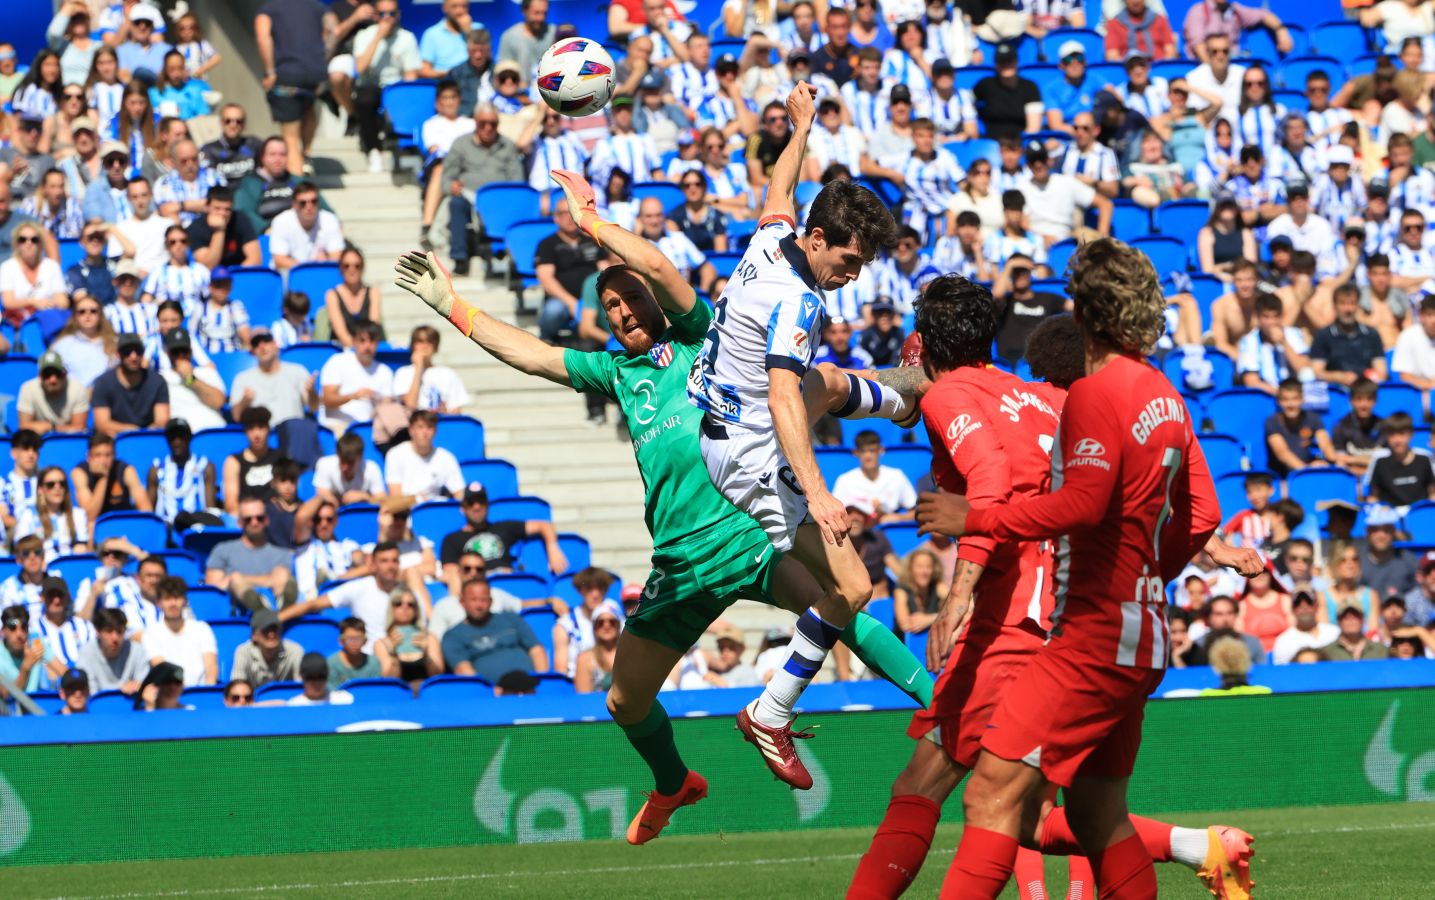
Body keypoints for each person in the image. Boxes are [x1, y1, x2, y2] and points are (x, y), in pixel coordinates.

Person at [396, 131, 932, 841]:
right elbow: (528, 353)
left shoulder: (702, 336)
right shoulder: (616, 373)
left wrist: (598, 222)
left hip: (745, 532)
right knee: (624, 700)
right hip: (678, 563)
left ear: (652, 301)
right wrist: (453, 306)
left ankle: (938, 698)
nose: (619, 311)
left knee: (841, 600)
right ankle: (675, 783)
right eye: (608, 305)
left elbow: (676, 264)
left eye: (627, 298)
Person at [919, 239, 1247, 899]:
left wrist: (974, 519)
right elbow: (1198, 514)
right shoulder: (1164, 395)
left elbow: (1083, 503)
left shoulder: (1096, 394)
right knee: (1098, 815)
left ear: (1085, 312)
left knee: (990, 795)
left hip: (1095, 631)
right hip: (1144, 626)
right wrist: (1146, 580)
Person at [278, 542, 416, 650]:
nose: (390, 566)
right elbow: (313, 604)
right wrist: (276, 619)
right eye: (384, 561)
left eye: (395, 561)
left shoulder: (407, 594)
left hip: (402, 655)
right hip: (367, 658)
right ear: (373, 564)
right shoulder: (360, 587)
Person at [443, 104, 524, 276]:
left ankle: (512, 256)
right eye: (483, 123)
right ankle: (460, 258)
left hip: (501, 200)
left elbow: (518, 180)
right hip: (470, 197)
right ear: (475, 122)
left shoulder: (507, 146)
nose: (488, 128)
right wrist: (451, 186)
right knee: (456, 204)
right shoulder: (461, 144)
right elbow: (446, 178)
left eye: (493, 124)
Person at [254, 0, 328, 177]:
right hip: (312, 76)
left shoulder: (269, 9)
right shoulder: (316, 6)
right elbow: (333, 30)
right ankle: (307, 155)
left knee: (291, 139)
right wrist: (321, 62)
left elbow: (263, 36)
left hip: (285, 76)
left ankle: (298, 182)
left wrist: (270, 71)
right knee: (309, 109)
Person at [436, 482, 564, 576]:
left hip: (508, 585)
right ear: (463, 508)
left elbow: (544, 525)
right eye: (471, 503)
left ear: (487, 505)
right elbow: (450, 573)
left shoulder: (504, 528)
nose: (477, 507)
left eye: (481, 502)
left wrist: (552, 547)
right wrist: (490, 573)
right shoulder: (452, 539)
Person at [440, 576, 548, 681]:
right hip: (491, 696)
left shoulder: (511, 619)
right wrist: (490, 692)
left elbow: (536, 650)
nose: (479, 605)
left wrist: (541, 681)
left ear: (491, 601)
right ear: (462, 602)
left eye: (484, 600)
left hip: (531, 687)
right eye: (474, 600)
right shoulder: (452, 636)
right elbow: (464, 670)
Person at [205, 496, 298, 612]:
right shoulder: (222, 550)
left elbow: (282, 581)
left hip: (275, 616)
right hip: (234, 614)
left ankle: (266, 612)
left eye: (259, 518)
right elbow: (212, 590)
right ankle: (262, 609)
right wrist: (269, 580)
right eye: (248, 519)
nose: (254, 523)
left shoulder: (282, 554)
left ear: (267, 520)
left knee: (282, 573)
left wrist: (236, 580)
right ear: (239, 522)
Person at [534, 202, 603, 344]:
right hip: (561, 301)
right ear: (556, 218)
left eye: (572, 213)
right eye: (563, 213)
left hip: (592, 298)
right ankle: (547, 341)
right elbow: (546, 280)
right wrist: (572, 303)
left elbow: (605, 269)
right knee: (554, 310)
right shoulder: (547, 244)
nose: (569, 218)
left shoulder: (593, 242)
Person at [1020, 142, 1113, 246]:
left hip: (1066, 242)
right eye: (1033, 161)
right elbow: (1023, 223)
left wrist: (1103, 239)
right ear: (1027, 165)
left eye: (1042, 159)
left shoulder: (1066, 182)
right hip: (1036, 242)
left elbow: (1105, 204)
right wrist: (1042, 237)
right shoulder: (1021, 189)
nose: (1038, 164)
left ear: (1049, 161)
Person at [318, 321, 393, 434]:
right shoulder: (337, 361)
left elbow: (387, 407)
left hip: (371, 429)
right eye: (362, 341)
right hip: (337, 427)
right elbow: (327, 399)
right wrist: (353, 396)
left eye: (372, 341)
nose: (367, 346)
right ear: (353, 341)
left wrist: (379, 402)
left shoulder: (385, 371)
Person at [141, 577, 217, 687]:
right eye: (167, 598)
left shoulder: (202, 629)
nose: (173, 603)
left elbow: (211, 667)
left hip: (200, 694)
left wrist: (207, 694)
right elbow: (161, 668)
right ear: (159, 603)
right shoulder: (151, 634)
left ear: (185, 601)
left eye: (177, 598)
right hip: (168, 695)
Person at [230, 330, 315, 427]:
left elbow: (314, 407)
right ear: (252, 351)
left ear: (275, 344)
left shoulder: (297, 371)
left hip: (293, 435)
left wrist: (312, 392)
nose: (262, 347)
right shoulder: (242, 378)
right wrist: (244, 401)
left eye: (266, 340)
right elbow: (236, 417)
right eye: (256, 343)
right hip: (260, 439)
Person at [147, 418, 219, 530]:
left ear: (189, 438)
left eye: (181, 436)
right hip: (165, 529)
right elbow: (148, 510)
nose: (177, 441)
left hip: (196, 527)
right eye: (172, 437)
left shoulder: (204, 466)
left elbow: (210, 508)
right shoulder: (156, 469)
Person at [831, 430, 916, 522]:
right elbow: (835, 515)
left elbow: (915, 511)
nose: (868, 456)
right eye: (863, 451)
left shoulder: (897, 476)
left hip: (888, 532)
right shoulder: (844, 480)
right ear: (856, 453)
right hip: (858, 532)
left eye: (872, 451)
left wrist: (897, 518)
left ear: (881, 450)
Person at [1237, 292, 1310, 394]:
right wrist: (1281, 395)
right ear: (1258, 318)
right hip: (1266, 397)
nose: (1271, 322)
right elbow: (1251, 382)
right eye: (1266, 317)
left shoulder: (1294, 335)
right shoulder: (1249, 341)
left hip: (1295, 397)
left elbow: (1305, 372)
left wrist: (1284, 343)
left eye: (1275, 317)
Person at [1264, 378, 1337, 477]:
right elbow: (1283, 454)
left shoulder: (1313, 418)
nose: (1291, 404)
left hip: (1306, 471)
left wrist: (1326, 463)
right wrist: (1307, 471)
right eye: (1285, 399)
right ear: (1278, 402)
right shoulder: (1272, 422)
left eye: (1295, 398)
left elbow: (1326, 446)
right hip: (1281, 477)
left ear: (1303, 399)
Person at [0, 221, 68, 326]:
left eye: (34, 240)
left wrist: (46, 304)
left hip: (49, 316)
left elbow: (63, 302)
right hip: (20, 321)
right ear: (16, 244)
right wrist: (33, 302)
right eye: (22, 240)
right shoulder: (7, 267)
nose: (29, 243)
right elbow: (8, 302)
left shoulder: (52, 266)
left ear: (40, 244)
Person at [73, 432, 150, 524]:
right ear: (89, 457)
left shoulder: (125, 470)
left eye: (108, 455)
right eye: (98, 455)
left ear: (114, 455)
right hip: (96, 526)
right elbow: (89, 516)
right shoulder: (80, 472)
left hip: (123, 523)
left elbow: (146, 509)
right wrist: (103, 478)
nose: (103, 461)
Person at [394, 325, 469, 414]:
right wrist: (418, 367)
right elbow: (410, 405)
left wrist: (446, 413)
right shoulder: (403, 373)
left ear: (435, 346)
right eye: (420, 341)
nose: (425, 346)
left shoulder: (448, 374)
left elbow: (456, 411)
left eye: (429, 342)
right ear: (413, 345)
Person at [1365, 413, 1435, 506]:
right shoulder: (1380, 461)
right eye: (1392, 435)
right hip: (1389, 516)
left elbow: (1432, 493)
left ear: (1411, 434)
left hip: (1418, 515)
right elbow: (1373, 496)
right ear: (1386, 436)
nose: (1397, 440)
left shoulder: (1424, 459)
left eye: (1401, 434)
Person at [75, 606, 147, 693]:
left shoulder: (137, 651)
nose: (115, 638)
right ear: (98, 631)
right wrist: (120, 691)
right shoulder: (86, 654)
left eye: (119, 631)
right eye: (109, 631)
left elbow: (144, 688)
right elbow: (89, 694)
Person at [17, 350, 89, 435]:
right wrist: (65, 428)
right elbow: (24, 427)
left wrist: (51, 427)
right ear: (40, 376)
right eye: (47, 374)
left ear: (65, 374)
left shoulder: (78, 389)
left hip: (68, 441)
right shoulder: (28, 388)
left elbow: (79, 429)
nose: (53, 380)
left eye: (57, 374)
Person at [379, 588, 441, 684]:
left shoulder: (430, 638)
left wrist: (426, 655)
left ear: (416, 610)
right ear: (391, 608)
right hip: (398, 696)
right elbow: (389, 681)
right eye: (398, 603)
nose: (405, 607)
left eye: (411, 604)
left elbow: (437, 676)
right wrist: (393, 654)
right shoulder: (382, 643)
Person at [201, 104, 263, 184]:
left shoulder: (254, 144)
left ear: (244, 124)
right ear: (221, 123)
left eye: (238, 121)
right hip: (222, 194)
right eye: (228, 121)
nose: (233, 125)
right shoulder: (208, 150)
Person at [326, 616, 391, 686]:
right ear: (341, 641)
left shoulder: (374, 663)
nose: (354, 643)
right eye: (350, 639)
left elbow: (374, 690)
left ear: (365, 641)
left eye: (358, 638)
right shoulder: (331, 664)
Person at [1392, 295, 1435, 390]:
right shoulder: (1408, 336)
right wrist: (1430, 386)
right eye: (1429, 315)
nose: (1434, 320)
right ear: (1421, 316)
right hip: (1416, 393)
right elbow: (1404, 376)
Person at [1319, 605, 1389, 661]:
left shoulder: (1381, 651)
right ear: (1338, 621)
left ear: (1363, 620)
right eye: (1346, 617)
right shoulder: (1326, 653)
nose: (1351, 621)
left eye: (1355, 616)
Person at [288, 651, 356, 705]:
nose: (316, 683)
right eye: (311, 677)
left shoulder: (344, 700)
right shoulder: (294, 704)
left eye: (321, 677)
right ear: (302, 677)